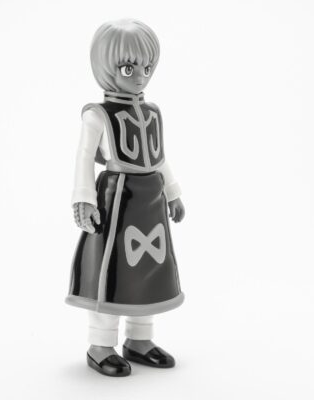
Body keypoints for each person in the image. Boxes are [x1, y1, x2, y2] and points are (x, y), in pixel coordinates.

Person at [66, 19, 186, 377]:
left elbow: (158, 157)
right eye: (129, 68)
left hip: (150, 200)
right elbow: (83, 157)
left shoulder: (152, 112)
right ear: (107, 68)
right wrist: (84, 198)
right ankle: (100, 345)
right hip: (116, 199)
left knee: (149, 271)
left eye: (147, 68)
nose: (140, 77)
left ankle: (140, 339)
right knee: (111, 273)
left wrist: (173, 192)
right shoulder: (97, 115)